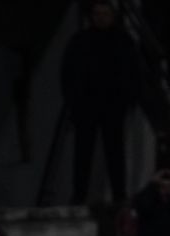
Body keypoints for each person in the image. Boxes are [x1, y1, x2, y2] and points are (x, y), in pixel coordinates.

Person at [60, 0, 141, 203]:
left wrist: (127, 99)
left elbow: (133, 73)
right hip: (86, 106)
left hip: (113, 105)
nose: (101, 18)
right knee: (83, 153)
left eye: (105, 14)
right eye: (98, 14)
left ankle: (118, 194)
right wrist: (74, 101)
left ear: (112, 16)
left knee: (114, 152)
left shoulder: (122, 40)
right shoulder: (80, 41)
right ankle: (79, 194)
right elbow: (68, 74)